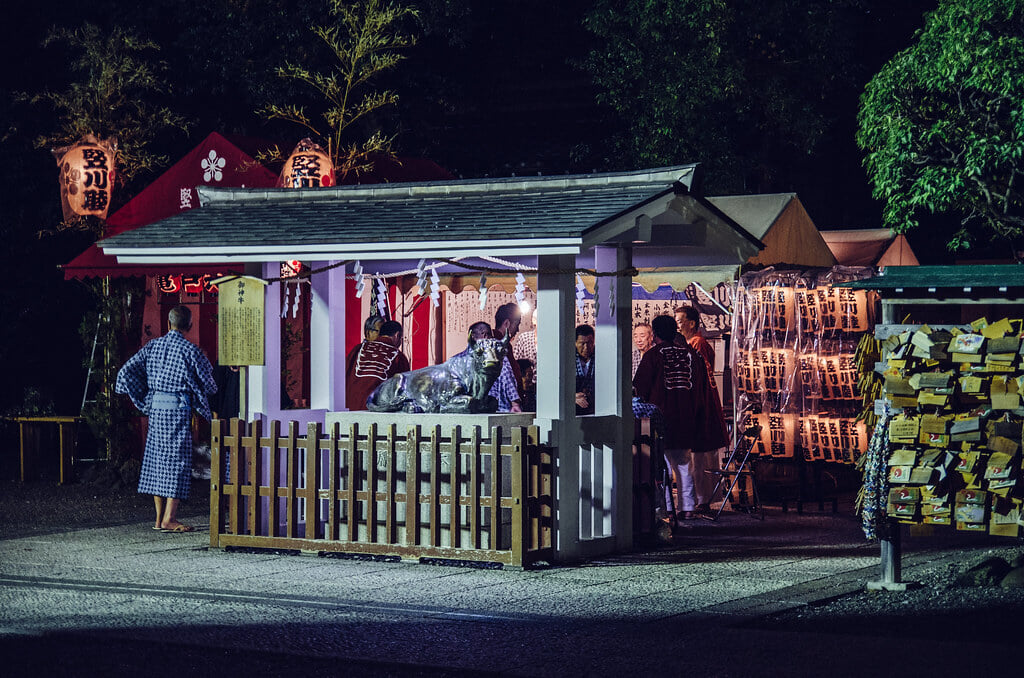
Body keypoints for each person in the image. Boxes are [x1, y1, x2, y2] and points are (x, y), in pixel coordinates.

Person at [115, 305, 217, 533]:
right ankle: (169, 518)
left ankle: (158, 519)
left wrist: (141, 395)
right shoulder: (191, 350)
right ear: (189, 326)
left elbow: (125, 373)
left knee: (157, 461)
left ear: (169, 324)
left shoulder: (152, 346)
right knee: (177, 462)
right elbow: (210, 386)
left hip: (156, 411)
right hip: (177, 411)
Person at [633, 314, 724, 524]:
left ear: (654, 335)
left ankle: (667, 508)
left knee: (661, 465)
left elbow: (640, 388)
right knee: (684, 464)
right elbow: (702, 388)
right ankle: (688, 507)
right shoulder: (691, 354)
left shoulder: (653, 355)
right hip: (687, 416)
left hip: (660, 418)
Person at [676, 305, 730, 516]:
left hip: (700, 406)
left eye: (680, 321)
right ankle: (701, 498)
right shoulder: (691, 343)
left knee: (699, 457)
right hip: (699, 405)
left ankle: (703, 499)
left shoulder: (697, 343)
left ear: (691, 323)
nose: (678, 325)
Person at [345, 318, 411, 410]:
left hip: (350, 407)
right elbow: (402, 390)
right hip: (375, 411)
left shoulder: (358, 349)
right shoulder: (399, 357)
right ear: (397, 335)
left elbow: (344, 374)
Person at [457, 321, 521, 412]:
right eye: (489, 335)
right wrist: (515, 403)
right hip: (497, 407)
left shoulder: (459, 360)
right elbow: (506, 375)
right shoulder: (494, 352)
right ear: (485, 335)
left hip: (471, 409)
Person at [494, 302, 525, 399]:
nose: (518, 329)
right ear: (507, 323)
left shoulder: (505, 344)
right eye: (517, 324)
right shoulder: (497, 344)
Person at [574, 324, 595, 415]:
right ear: (575, 343)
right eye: (582, 344)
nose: (586, 348)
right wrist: (572, 397)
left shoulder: (601, 358)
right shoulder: (567, 360)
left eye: (590, 343)